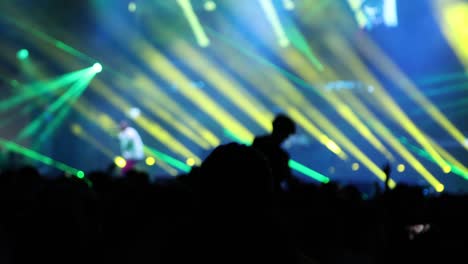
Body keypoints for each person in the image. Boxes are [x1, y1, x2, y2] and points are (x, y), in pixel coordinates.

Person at [252, 113, 296, 194]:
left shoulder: (258, 143)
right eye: (286, 134)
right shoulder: (282, 155)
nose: (286, 138)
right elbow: (287, 179)